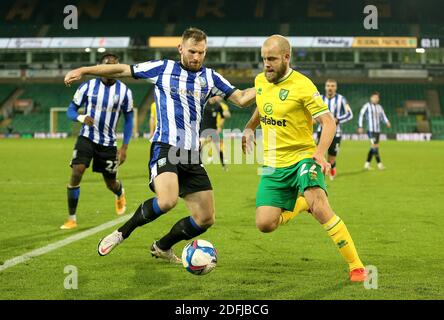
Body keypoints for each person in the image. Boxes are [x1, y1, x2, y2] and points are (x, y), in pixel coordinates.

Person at [64, 27, 256, 262]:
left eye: (202, 53)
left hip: (191, 155)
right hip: (165, 146)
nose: (197, 57)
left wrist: (268, 84)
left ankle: (163, 246)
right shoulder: (163, 69)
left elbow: (243, 99)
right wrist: (85, 70)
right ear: (180, 48)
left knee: (206, 218)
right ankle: (121, 233)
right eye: (192, 51)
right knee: (167, 200)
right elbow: (122, 69)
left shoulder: (211, 78)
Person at [242, 35, 367, 282]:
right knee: (265, 224)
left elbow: (328, 122)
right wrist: (249, 127)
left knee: (320, 206)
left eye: (272, 59)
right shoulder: (260, 81)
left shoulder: (303, 85)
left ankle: (356, 266)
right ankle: (301, 204)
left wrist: (319, 153)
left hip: (303, 156)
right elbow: (261, 102)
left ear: (286, 57)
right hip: (272, 163)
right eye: (264, 59)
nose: (266, 64)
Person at [61, 53, 133, 230]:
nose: (110, 71)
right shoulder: (88, 87)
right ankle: (71, 218)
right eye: (107, 67)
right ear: (100, 68)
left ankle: (119, 191)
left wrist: (124, 147)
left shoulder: (124, 92)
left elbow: (129, 119)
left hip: (108, 143)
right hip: (87, 137)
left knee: (110, 183)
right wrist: (81, 117)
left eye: (114, 68)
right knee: (77, 172)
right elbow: (70, 110)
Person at [316, 79, 353, 180]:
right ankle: (320, 176)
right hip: (321, 131)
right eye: (328, 86)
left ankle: (332, 169)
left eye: (332, 86)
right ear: (325, 87)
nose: (330, 88)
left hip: (336, 133)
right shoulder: (320, 98)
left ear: (335, 88)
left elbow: (349, 114)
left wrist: (337, 119)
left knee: (332, 157)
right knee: (319, 154)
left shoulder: (341, 99)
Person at [358, 92, 391, 170]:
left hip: (377, 130)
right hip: (370, 130)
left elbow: (383, 116)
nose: (375, 99)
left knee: (374, 148)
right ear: (371, 98)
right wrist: (360, 126)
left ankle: (366, 164)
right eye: (374, 97)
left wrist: (387, 122)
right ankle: (379, 164)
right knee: (374, 147)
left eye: (377, 98)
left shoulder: (380, 107)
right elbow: (361, 115)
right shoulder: (367, 106)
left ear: (378, 99)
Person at [200, 96, 229, 170]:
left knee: (218, 148)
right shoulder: (204, 103)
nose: (219, 98)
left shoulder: (218, 105)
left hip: (214, 129)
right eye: (218, 96)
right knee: (200, 146)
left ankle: (224, 166)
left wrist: (219, 127)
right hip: (204, 129)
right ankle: (199, 164)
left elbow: (223, 117)